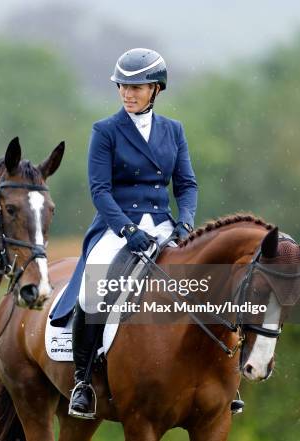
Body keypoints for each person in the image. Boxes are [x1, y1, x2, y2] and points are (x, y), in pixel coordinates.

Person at [67, 48, 198, 419]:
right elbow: (99, 190)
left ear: (156, 89)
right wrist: (126, 229)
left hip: (163, 226)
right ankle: (82, 380)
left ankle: (216, 377)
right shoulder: (106, 130)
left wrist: (185, 223)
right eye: (123, 86)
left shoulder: (174, 130)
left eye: (136, 87)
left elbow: (186, 184)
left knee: (207, 283)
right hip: (117, 227)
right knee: (95, 286)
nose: (127, 93)